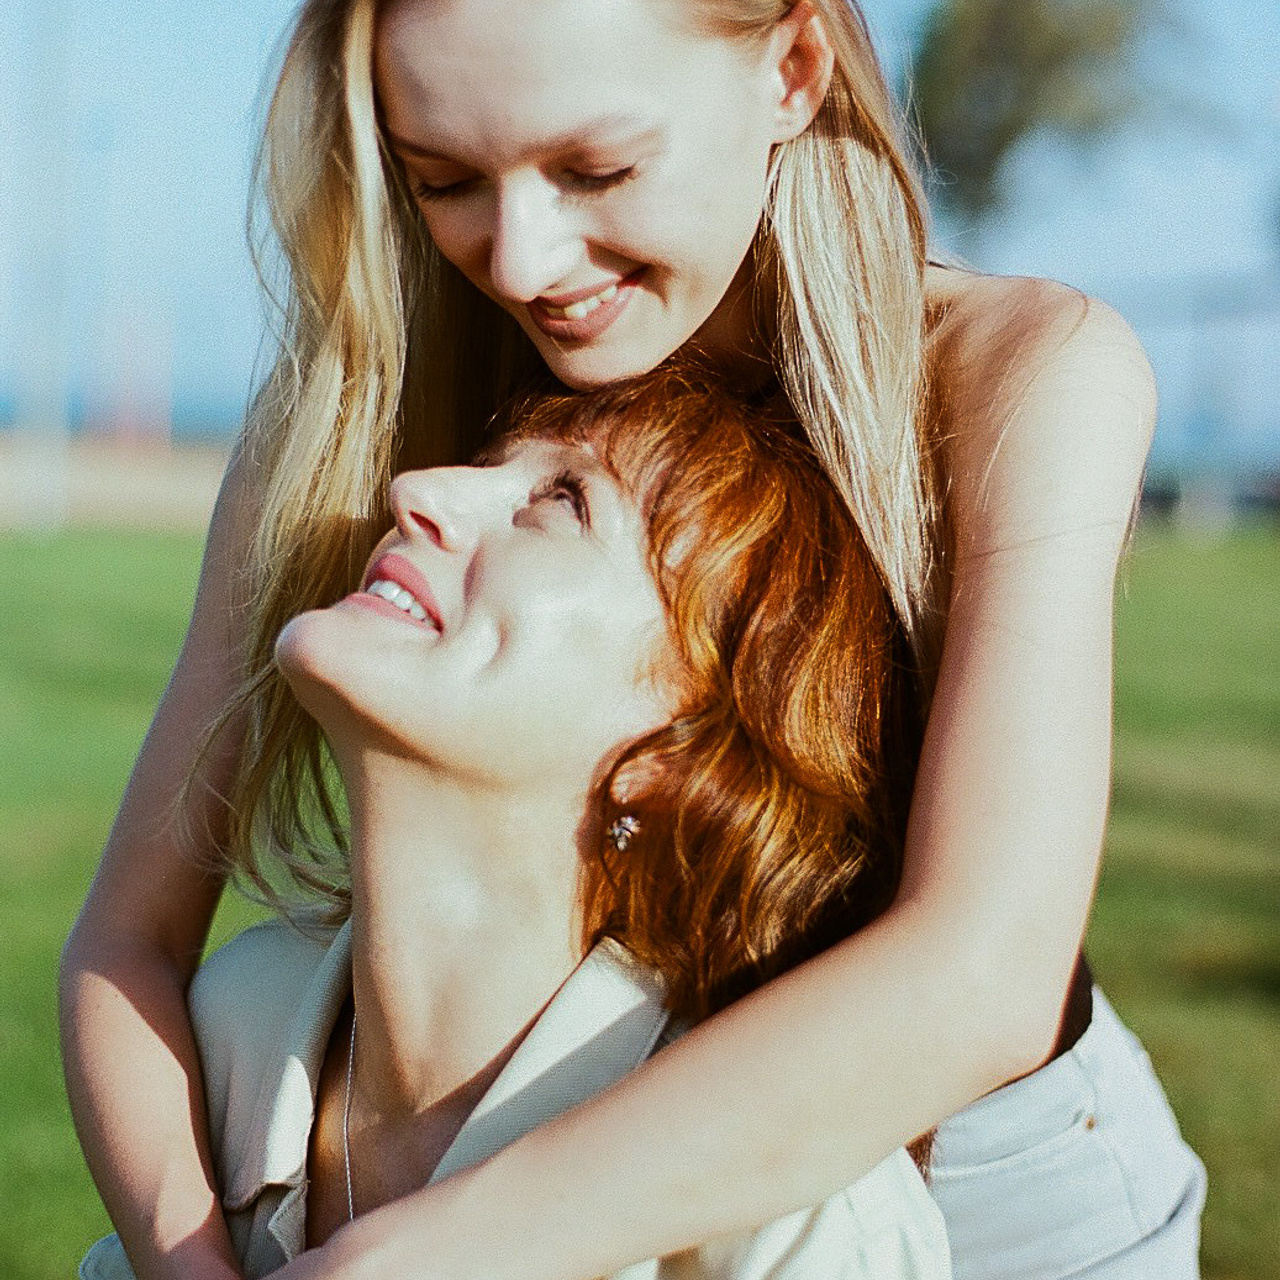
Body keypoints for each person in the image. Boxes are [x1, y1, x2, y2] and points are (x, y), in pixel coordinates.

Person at [59, 1, 1206, 1278]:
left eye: (594, 169)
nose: (522, 256)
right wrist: (188, 1258)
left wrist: (405, 1260)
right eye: (443, 179)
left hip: (980, 1182)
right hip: (457, 1146)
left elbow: (980, 974)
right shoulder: (370, 381)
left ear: (791, 68)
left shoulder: (1021, 372)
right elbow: (130, 935)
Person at [80, 369, 952, 1280]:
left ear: (679, 751)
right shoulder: (231, 1034)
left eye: (561, 502)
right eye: (488, 466)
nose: (415, 490)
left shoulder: (795, 1216)